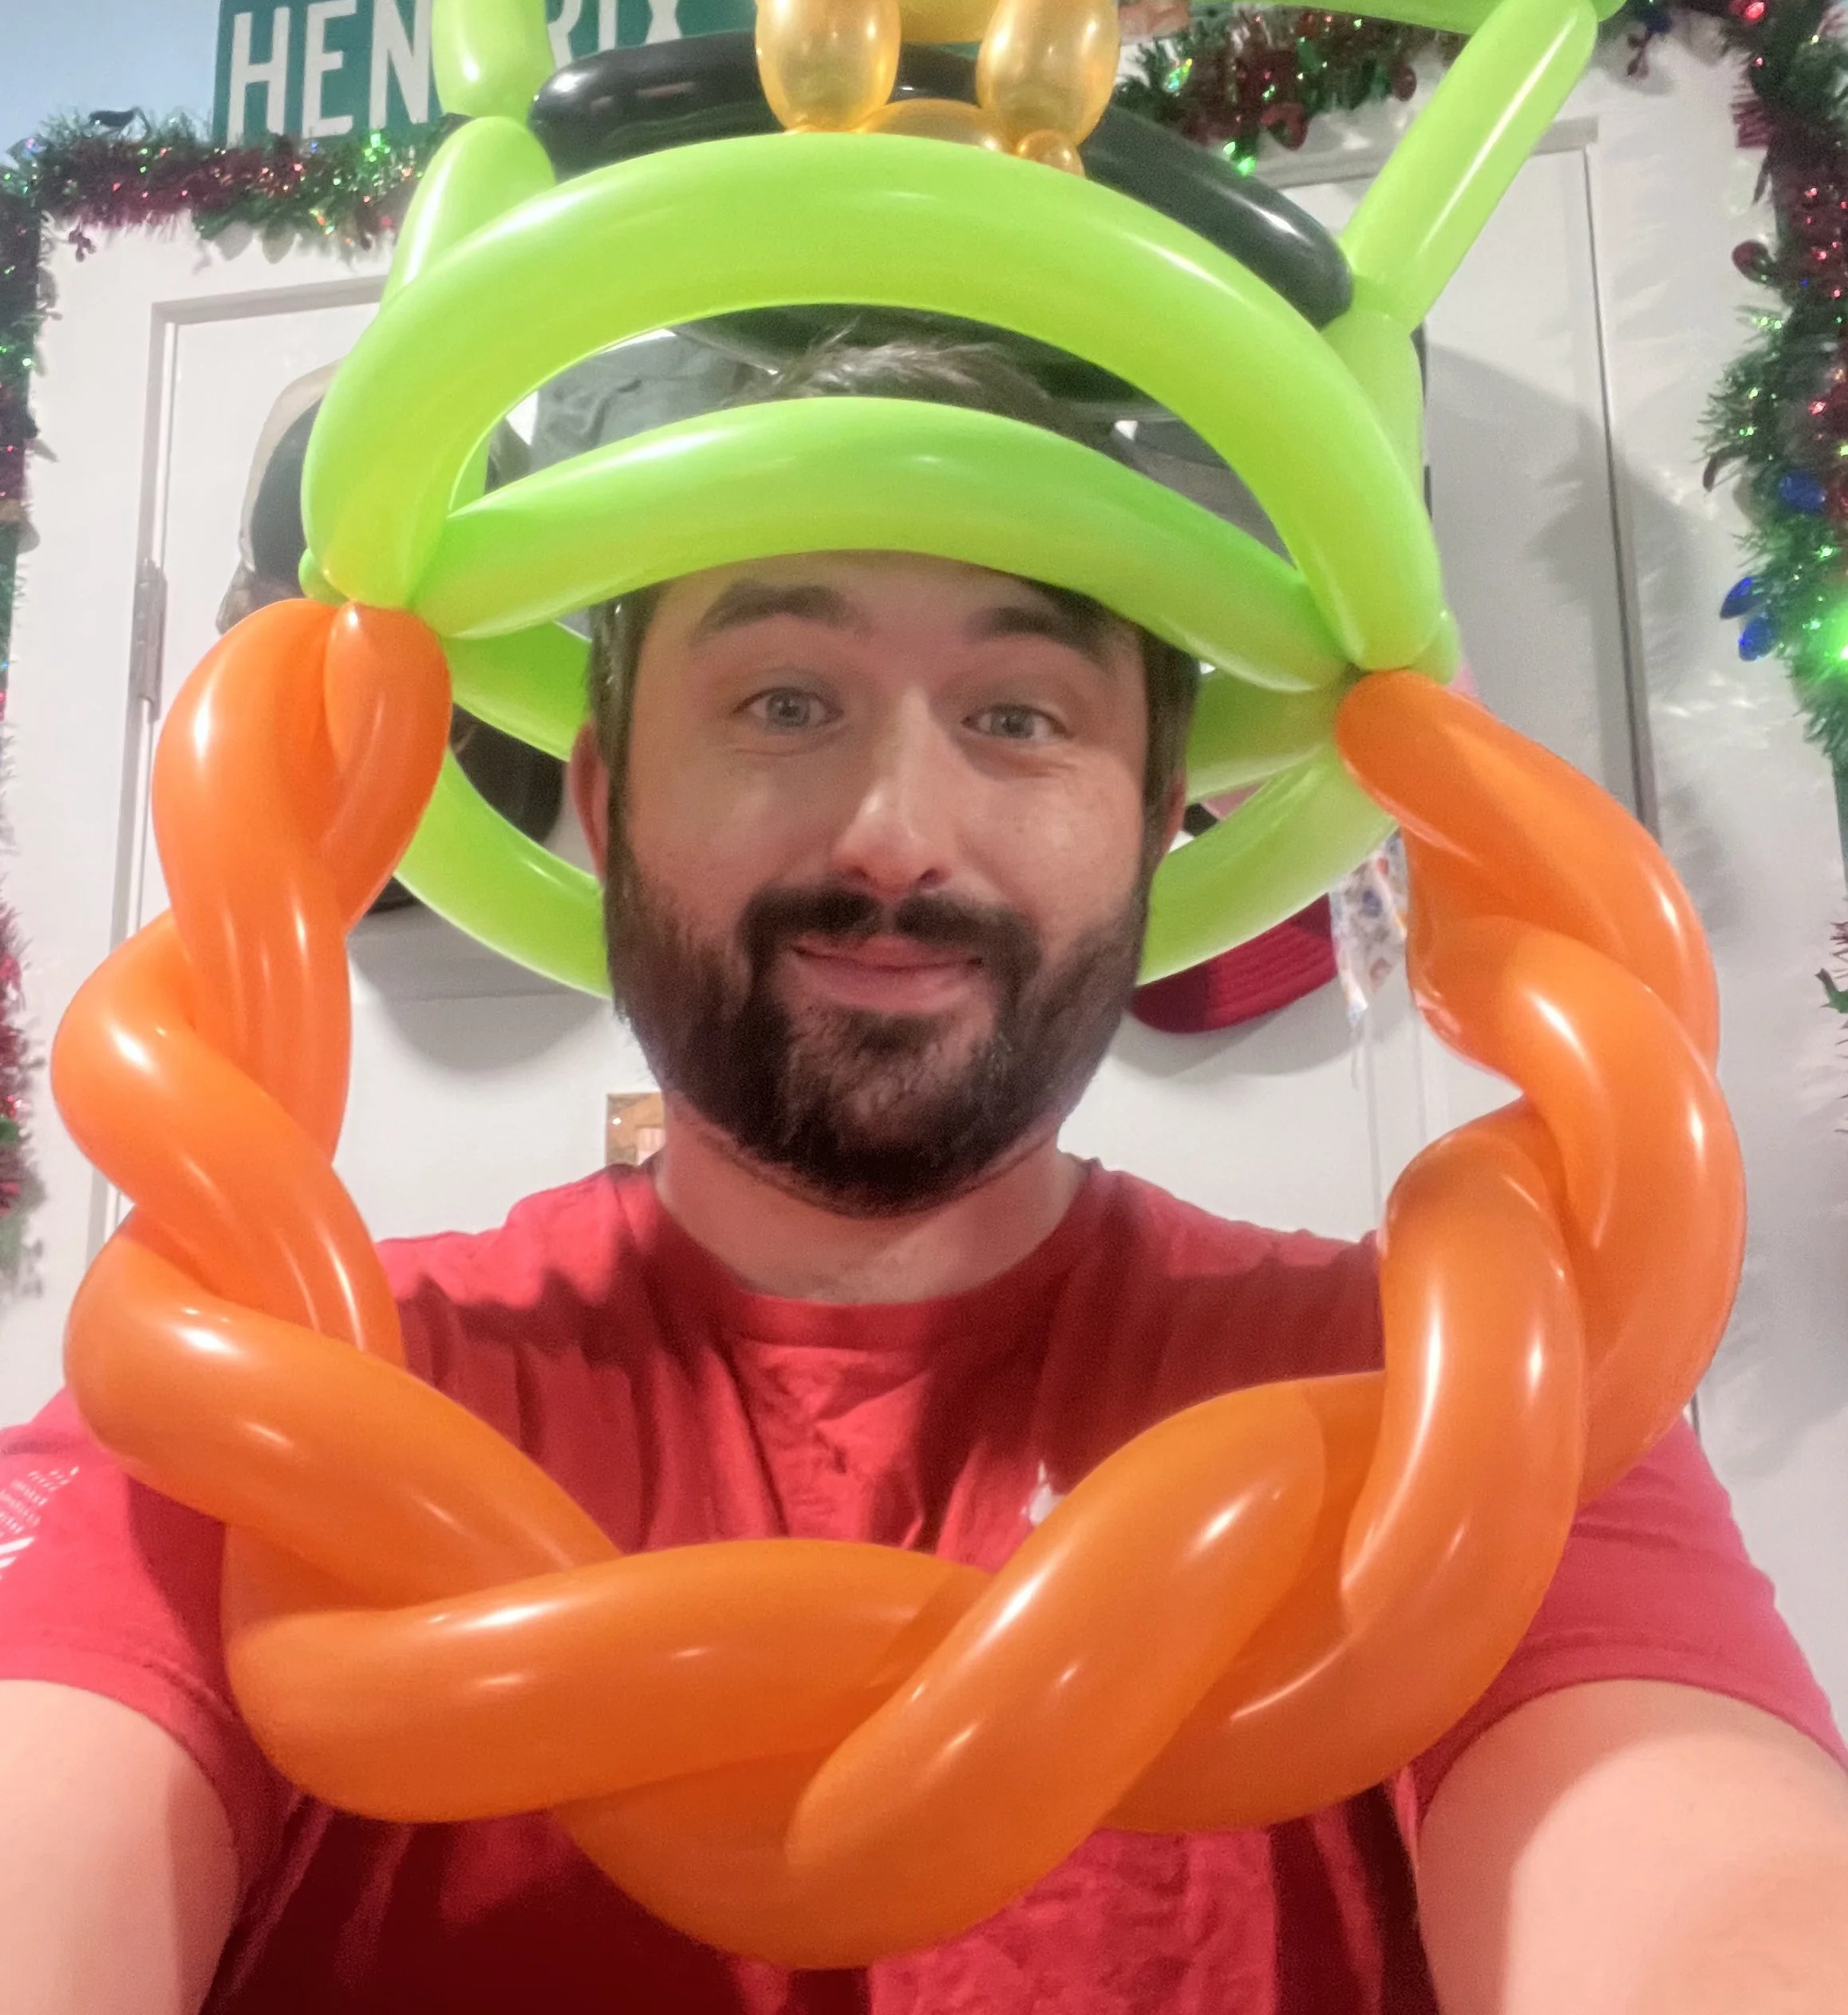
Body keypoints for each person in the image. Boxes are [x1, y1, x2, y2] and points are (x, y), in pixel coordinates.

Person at [2, 339, 1846, 2015]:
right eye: (785, 701)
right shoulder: (276, 1392)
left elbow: (1705, 1879)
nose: (895, 834)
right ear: (604, 784)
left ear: (1156, 808)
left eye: (1020, 713)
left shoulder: (1455, 1386)